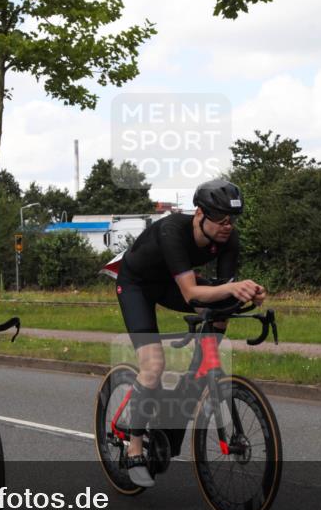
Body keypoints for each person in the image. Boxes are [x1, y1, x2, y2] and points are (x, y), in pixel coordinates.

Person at [106, 178, 266, 487]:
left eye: (232, 219)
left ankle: (197, 377)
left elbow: (225, 290)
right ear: (199, 214)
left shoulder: (228, 238)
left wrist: (249, 293)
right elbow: (191, 293)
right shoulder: (172, 231)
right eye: (220, 219)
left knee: (223, 307)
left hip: (170, 283)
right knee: (154, 365)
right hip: (137, 285)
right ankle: (135, 448)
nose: (227, 226)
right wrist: (232, 288)